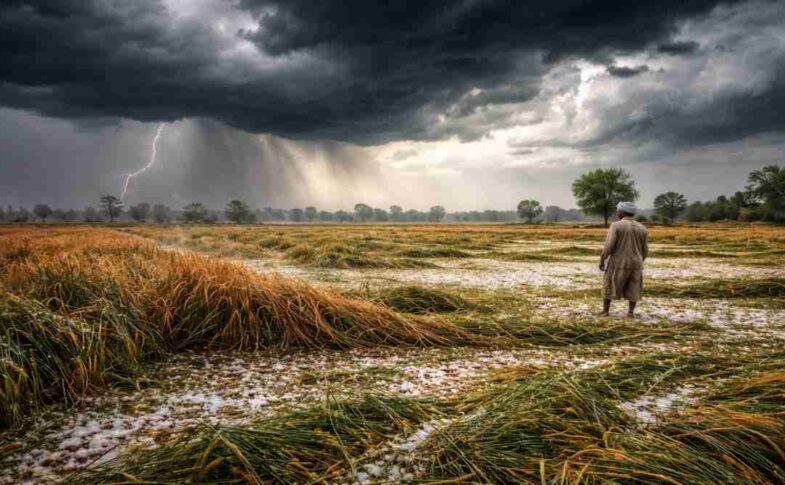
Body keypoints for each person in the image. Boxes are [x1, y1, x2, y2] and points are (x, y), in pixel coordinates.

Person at [599, 201, 648, 317]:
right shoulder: (642, 228)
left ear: (621, 212)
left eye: (617, 210)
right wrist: (640, 260)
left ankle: (605, 311)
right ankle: (630, 312)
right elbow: (645, 249)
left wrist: (602, 258)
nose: (616, 212)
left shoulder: (616, 225)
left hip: (618, 262)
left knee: (609, 284)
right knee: (634, 287)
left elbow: (609, 245)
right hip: (636, 263)